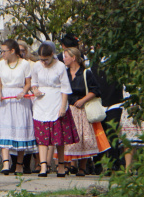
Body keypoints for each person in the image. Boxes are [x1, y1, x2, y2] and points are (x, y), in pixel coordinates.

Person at [29, 42, 79, 177]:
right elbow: (34, 82)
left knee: (58, 136)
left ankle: (61, 165)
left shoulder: (60, 66)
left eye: (46, 59)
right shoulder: (37, 66)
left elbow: (65, 88)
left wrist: (63, 107)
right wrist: (35, 89)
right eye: (41, 59)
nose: (43, 62)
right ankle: (43, 166)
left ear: (52, 55)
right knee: (42, 136)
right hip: (41, 103)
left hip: (56, 101)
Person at [62, 47, 111, 175]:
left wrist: (83, 100)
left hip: (81, 109)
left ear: (73, 58)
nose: (64, 59)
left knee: (83, 138)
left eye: (66, 56)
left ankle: (82, 167)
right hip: (68, 108)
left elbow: (95, 90)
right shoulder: (64, 73)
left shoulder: (85, 73)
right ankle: (66, 165)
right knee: (67, 138)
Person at [0, 39, 36, 175]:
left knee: (20, 129)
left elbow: (28, 82)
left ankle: (19, 164)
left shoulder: (24, 64)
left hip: (19, 99)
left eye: (4, 51)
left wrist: (23, 92)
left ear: (12, 51)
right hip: (5, 98)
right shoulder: (1, 64)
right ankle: (6, 163)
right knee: (5, 129)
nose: (2, 54)